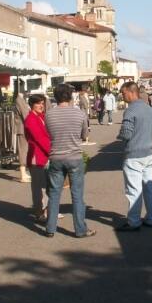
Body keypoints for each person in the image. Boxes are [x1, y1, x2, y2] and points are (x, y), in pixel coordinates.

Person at [44, 84, 95, 238]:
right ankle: (80, 229)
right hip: (74, 156)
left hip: (56, 157)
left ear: (56, 96)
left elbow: (49, 134)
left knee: (54, 194)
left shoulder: (49, 115)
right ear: (70, 96)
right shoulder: (79, 114)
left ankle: (50, 228)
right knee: (77, 195)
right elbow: (85, 134)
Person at [116, 82, 152, 231]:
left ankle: (134, 221)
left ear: (131, 92)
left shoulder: (130, 111)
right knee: (149, 188)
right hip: (148, 153)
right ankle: (151, 218)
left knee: (134, 190)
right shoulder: (149, 109)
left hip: (133, 155)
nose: (122, 96)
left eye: (123, 93)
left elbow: (126, 133)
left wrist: (119, 135)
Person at [24, 94, 51, 222]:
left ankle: (47, 210)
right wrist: (52, 151)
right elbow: (40, 138)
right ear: (32, 105)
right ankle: (39, 212)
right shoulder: (30, 119)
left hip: (44, 155)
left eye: (42, 103)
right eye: (38, 103)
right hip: (36, 156)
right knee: (38, 187)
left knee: (46, 186)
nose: (41, 105)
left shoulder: (41, 117)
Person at [14, 80, 31, 183]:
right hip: (22, 128)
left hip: (23, 127)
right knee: (23, 150)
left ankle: (24, 172)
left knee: (25, 149)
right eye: (23, 85)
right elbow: (25, 115)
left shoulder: (21, 98)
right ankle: (23, 174)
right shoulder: (19, 99)